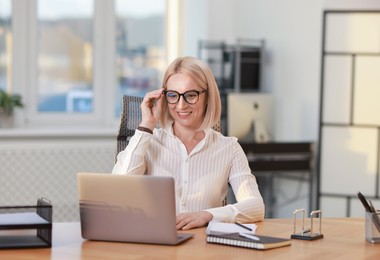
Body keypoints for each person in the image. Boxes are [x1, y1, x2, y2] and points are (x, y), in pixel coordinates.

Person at [112, 56, 264, 230]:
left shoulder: (229, 148)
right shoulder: (148, 141)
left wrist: (207, 215)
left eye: (191, 95)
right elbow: (118, 194)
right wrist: (147, 125)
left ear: (208, 97)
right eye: (173, 95)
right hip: (154, 245)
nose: (181, 105)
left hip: (204, 248)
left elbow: (256, 207)